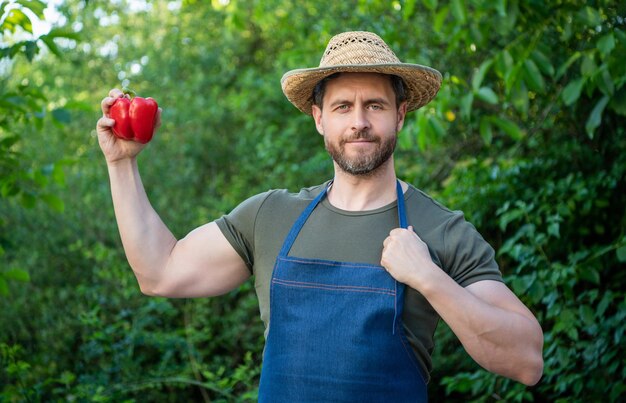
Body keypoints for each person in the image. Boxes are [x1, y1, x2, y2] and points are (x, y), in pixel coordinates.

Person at [96, 31, 543, 402]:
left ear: (400, 116)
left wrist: (429, 277)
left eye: (375, 105)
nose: (359, 122)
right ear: (319, 118)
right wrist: (122, 164)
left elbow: (526, 361)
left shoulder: (440, 229)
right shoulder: (270, 216)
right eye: (343, 107)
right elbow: (159, 273)